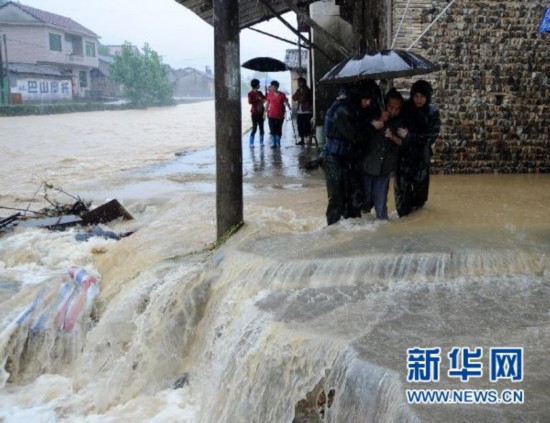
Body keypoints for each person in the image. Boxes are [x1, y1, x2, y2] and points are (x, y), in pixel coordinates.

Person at [394, 80, 441, 217]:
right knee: (402, 198)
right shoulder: (405, 109)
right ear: (412, 95)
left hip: (421, 158)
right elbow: (397, 127)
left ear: (427, 97)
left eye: (422, 96)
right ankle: (404, 224)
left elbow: (430, 137)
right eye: (416, 96)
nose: (419, 100)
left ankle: (418, 225)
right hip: (404, 158)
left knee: (420, 197)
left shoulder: (432, 113)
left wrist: (410, 136)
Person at [361, 88, 405, 220]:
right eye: (391, 107)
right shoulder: (373, 116)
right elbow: (361, 136)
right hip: (368, 166)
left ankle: (383, 231)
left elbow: (405, 144)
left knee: (381, 205)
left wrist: (393, 137)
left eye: (397, 109)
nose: (393, 111)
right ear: (385, 105)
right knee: (365, 202)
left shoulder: (400, 123)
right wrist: (379, 120)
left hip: (384, 168)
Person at [322, 85, 361, 225]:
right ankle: (333, 231)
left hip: (344, 158)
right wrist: (371, 125)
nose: (367, 102)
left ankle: (347, 232)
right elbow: (355, 135)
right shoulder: (341, 110)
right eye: (365, 99)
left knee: (350, 197)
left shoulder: (347, 107)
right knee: (337, 198)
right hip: (333, 158)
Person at [265, 80, 291, 148]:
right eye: (271, 87)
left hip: (280, 115)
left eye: (274, 87)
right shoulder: (269, 94)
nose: (272, 88)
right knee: (272, 130)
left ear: (277, 87)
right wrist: (264, 112)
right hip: (271, 115)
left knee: (278, 129)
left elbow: (286, 102)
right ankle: (274, 143)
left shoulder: (282, 95)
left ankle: (278, 143)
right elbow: (267, 104)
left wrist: (289, 107)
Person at [291, 77, 313, 145]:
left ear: (302, 83)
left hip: (306, 111)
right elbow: (294, 98)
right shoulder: (298, 90)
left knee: (306, 126)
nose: (298, 84)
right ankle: (302, 140)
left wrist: (299, 96)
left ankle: (309, 140)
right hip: (300, 111)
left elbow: (303, 98)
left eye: (299, 82)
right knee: (300, 126)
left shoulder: (307, 90)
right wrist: (299, 96)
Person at [247, 79, 265, 148]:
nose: (259, 85)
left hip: (261, 112)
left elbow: (264, 99)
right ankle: (251, 143)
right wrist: (257, 99)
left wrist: (266, 94)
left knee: (261, 127)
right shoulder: (250, 93)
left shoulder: (260, 92)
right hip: (254, 112)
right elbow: (249, 102)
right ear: (255, 85)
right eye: (258, 84)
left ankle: (261, 142)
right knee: (254, 128)